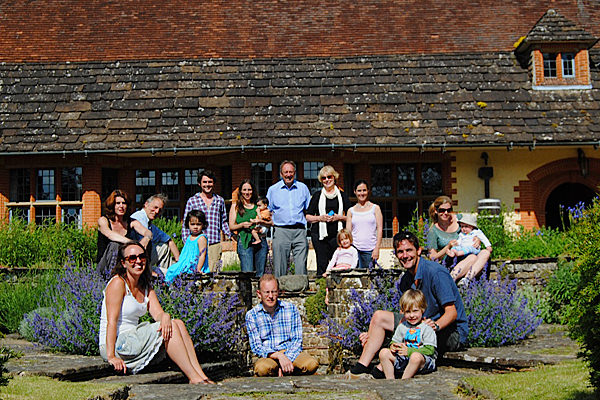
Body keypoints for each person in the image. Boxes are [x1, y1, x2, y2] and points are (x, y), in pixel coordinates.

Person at [348, 231, 467, 378]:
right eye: (400, 252)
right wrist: (371, 335)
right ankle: (361, 367)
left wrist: (434, 325)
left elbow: (452, 313)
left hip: (449, 332)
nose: (405, 255)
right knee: (379, 316)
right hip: (419, 324)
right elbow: (405, 316)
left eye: (409, 250)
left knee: (414, 334)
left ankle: (381, 368)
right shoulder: (406, 279)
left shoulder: (436, 273)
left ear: (418, 251)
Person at [98, 241, 214, 384]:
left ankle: (201, 375)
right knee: (170, 326)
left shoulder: (145, 286)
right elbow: (111, 321)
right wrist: (111, 356)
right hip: (116, 344)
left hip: (133, 339)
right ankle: (193, 377)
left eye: (142, 257)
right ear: (123, 263)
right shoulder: (118, 283)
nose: (138, 261)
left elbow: (158, 313)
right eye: (132, 258)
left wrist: (165, 316)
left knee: (178, 323)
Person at [245, 274, 319, 377]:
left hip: (290, 352)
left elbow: (297, 339)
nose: (270, 296)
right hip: (269, 355)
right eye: (267, 292)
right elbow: (257, 347)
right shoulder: (252, 315)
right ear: (259, 294)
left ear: (278, 292)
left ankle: (288, 370)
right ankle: (279, 371)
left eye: (274, 291)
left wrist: (286, 358)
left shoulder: (291, 309)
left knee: (311, 364)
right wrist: (279, 356)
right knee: (262, 369)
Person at [373, 289, 437, 380]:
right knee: (383, 352)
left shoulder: (426, 328)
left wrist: (409, 351)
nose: (411, 315)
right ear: (403, 312)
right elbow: (394, 341)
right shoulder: (402, 326)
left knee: (415, 357)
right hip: (405, 360)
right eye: (408, 312)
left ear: (422, 310)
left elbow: (430, 350)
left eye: (415, 311)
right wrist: (393, 346)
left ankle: (404, 381)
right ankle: (390, 380)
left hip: (423, 362)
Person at [426, 196, 491, 281]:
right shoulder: (433, 231)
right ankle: (451, 280)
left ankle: (466, 281)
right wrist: (448, 247)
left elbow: (474, 228)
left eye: (448, 210)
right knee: (472, 257)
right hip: (452, 262)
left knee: (485, 253)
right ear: (436, 211)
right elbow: (433, 257)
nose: (445, 213)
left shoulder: (459, 219)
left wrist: (478, 238)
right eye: (442, 210)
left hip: (470, 257)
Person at [266, 161, 311, 277]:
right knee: (280, 267)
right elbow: (267, 212)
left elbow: (309, 210)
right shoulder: (273, 190)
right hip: (280, 231)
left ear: (295, 173)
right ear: (281, 174)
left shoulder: (303, 188)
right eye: (286, 172)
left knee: (301, 265)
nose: (288, 175)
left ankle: (301, 291)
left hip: (300, 231)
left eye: (291, 172)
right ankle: (279, 291)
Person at [182, 170, 232, 272]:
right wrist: (187, 242)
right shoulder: (192, 201)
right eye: (205, 182)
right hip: (197, 244)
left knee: (212, 274)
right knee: (195, 273)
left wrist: (231, 235)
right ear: (199, 184)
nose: (207, 185)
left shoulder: (219, 200)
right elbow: (185, 224)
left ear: (213, 183)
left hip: (214, 243)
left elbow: (223, 221)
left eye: (210, 182)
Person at [306, 165, 351, 276]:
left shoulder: (342, 195)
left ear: (334, 177)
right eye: (323, 178)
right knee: (322, 263)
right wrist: (320, 218)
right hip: (320, 236)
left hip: (337, 236)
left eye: (329, 177)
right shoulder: (317, 196)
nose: (327, 180)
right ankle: (321, 289)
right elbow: (307, 216)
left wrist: (338, 217)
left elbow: (351, 216)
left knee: (336, 263)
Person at [96, 190, 152, 275]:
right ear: (112, 205)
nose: (121, 206)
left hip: (124, 262)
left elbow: (148, 232)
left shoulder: (131, 222)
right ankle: (112, 277)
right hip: (105, 265)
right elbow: (109, 234)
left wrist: (146, 238)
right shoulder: (103, 220)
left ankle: (144, 274)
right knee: (115, 245)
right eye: (118, 203)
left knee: (147, 243)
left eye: (124, 203)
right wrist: (132, 243)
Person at [130, 194, 180, 273]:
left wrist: (178, 261)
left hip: (143, 256)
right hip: (133, 257)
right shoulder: (139, 217)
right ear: (146, 204)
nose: (157, 212)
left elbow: (168, 240)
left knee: (164, 247)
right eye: (155, 207)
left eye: (160, 210)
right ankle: (161, 276)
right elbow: (143, 245)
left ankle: (164, 277)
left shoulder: (150, 225)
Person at [229, 179, 269, 276]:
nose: (247, 192)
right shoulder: (236, 206)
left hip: (260, 241)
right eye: (245, 190)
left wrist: (261, 226)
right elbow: (231, 226)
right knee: (248, 272)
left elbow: (268, 221)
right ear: (241, 191)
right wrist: (242, 225)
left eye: (249, 190)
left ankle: (259, 291)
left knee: (260, 274)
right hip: (244, 241)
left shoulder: (258, 205)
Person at [346, 180, 383, 269]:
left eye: (364, 190)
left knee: (368, 278)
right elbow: (348, 232)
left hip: (370, 250)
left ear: (368, 191)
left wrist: (377, 248)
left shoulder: (375, 208)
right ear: (355, 192)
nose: (362, 193)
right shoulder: (351, 211)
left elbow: (380, 228)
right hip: (355, 249)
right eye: (359, 190)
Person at [164, 210, 209, 283]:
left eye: (198, 224)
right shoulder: (190, 236)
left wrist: (198, 269)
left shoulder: (201, 238)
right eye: (192, 224)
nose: (195, 227)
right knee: (171, 270)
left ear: (203, 225)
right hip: (185, 262)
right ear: (188, 224)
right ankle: (167, 287)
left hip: (194, 265)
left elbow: (202, 254)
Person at [447, 213, 492, 282]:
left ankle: (467, 278)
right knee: (456, 248)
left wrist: (488, 245)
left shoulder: (476, 232)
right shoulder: (462, 234)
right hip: (463, 252)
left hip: (472, 249)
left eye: (466, 226)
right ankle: (453, 253)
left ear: (472, 227)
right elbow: (459, 241)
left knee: (481, 251)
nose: (463, 229)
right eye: (462, 227)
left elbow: (484, 238)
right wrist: (456, 244)